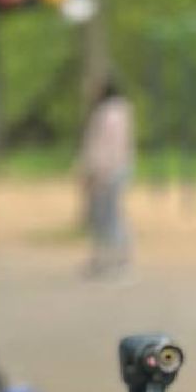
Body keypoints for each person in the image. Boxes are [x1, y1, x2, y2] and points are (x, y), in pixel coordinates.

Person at [80, 77, 135, 275]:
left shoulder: (108, 114)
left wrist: (97, 171)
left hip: (107, 171)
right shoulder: (121, 112)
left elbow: (106, 147)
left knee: (108, 217)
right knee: (111, 216)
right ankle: (110, 259)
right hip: (116, 169)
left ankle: (113, 260)